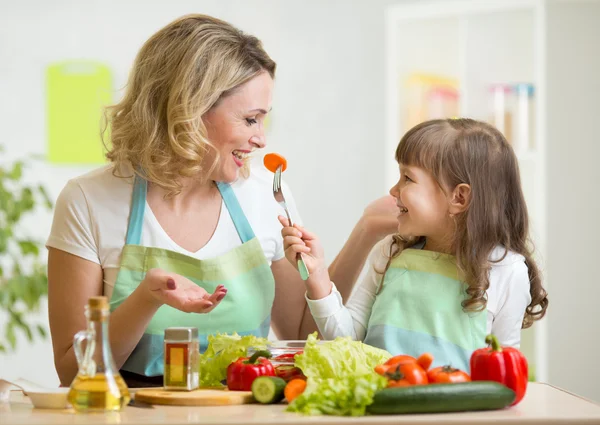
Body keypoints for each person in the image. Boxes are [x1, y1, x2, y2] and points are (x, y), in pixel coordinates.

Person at [46, 14, 398, 387]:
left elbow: (301, 332)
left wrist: (365, 231)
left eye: (263, 121)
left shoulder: (265, 195)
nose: (261, 139)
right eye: (249, 120)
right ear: (189, 111)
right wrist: (147, 298)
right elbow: (72, 371)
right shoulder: (88, 201)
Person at [280, 118, 549, 372]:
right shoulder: (390, 252)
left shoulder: (507, 270)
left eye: (407, 178)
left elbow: (504, 370)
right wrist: (318, 280)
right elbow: (347, 338)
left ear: (459, 197)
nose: (394, 191)